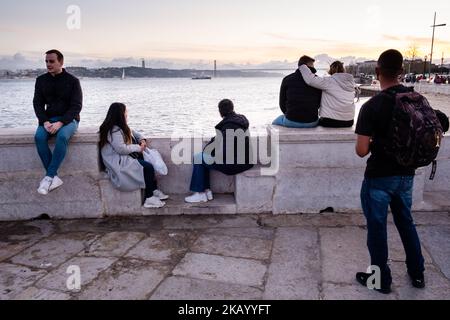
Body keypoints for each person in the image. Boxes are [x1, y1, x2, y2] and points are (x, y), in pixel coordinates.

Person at [354, 49, 449, 294]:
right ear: (402, 72)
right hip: (407, 174)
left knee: (377, 229)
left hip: (378, 178)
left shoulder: (371, 106)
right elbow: (441, 122)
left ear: (377, 72)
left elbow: (361, 150)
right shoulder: (417, 100)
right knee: (406, 222)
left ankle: (380, 280)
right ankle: (417, 275)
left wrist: (379, 142)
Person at [99, 103, 168, 208]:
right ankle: (149, 198)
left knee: (148, 163)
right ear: (120, 114)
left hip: (125, 157)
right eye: (125, 111)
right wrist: (138, 148)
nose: (127, 113)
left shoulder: (122, 126)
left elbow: (135, 133)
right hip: (118, 162)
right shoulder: (114, 130)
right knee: (148, 167)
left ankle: (153, 190)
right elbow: (121, 149)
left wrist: (142, 140)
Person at [185, 99, 254, 203]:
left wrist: (210, 153)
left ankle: (200, 193)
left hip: (235, 163)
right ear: (232, 108)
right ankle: (206, 191)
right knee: (202, 157)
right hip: (247, 161)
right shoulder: (239, 122)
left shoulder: (228, 126)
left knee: (198, 158)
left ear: (220, 112)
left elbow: (225, 151)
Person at [33, 49, 82, 195]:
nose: (48, 64)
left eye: (52, 61)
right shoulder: (41, 80)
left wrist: (61, 123)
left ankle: (48, 177)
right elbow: (37, 104)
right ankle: (54, 177)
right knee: (39, 137)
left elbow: (76, 106)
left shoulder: (73, 81)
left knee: (61, 137)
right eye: (46, 61)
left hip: (69, 120)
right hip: (48, 119)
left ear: (61, 62)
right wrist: (45, 121)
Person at [299, 61, 357, 128]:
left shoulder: (329, 81)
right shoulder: (351, 83)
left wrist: (302, 66)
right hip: (349, 122)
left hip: (330, 121)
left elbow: (310, 80)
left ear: (331, 70)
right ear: (343, 70)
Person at [272, 55, 322, 128]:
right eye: (312, 65)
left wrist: (290, 115)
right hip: (312, 122)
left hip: (291, 121)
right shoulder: (317, 80)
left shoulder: (287, 79)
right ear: (307, 66)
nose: (314, 67)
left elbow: (282, 103)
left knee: (275, 123)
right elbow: (319, 102)